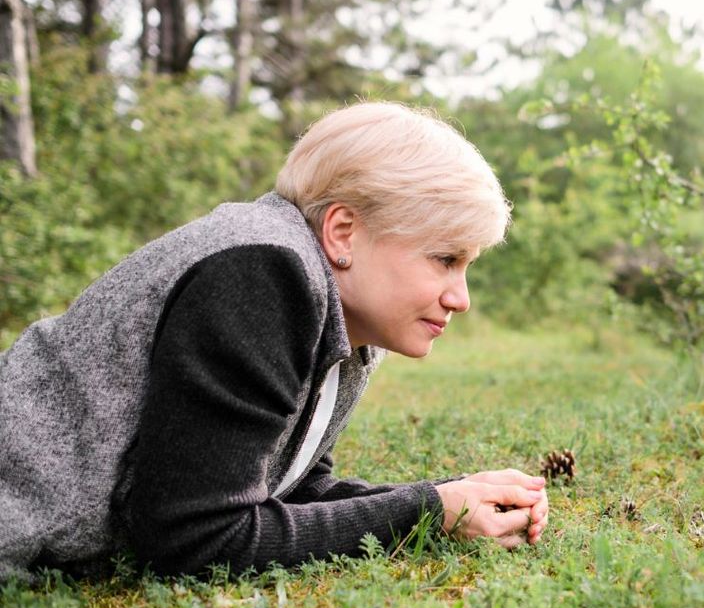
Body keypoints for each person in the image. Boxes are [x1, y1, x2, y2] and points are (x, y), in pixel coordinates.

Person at [0, 101, 549, 580]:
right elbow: (195, 538)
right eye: (445, 260)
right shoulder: (262, 273)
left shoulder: (347, 318)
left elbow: (288, 490)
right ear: (343, 232)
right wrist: (426, 510)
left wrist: (454, 498)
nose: (461, 297)